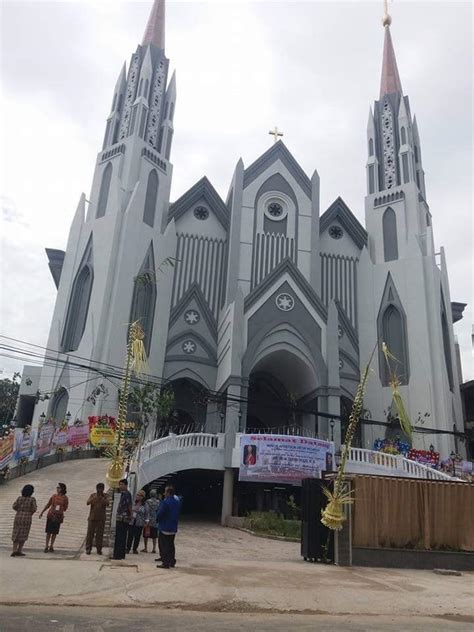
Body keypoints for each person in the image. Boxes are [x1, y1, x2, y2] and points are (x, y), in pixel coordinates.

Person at [39, 482, 68, 553]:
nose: (57, 489)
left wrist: (60, 509)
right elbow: (48, 504)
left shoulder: (65, 498)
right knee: (48, 531)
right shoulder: (54, 496)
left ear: (62, 489)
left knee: (54, 532)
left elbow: (65, 508)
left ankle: (51, 545)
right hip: (51, 515)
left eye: (59, 488)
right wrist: (42, 512)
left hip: (58, 517)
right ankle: (46, 546)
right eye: (57, 488)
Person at [156, 485, 181, 569]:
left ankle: (165, 562)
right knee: (171, 544)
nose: (164, 493)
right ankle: (172, 561)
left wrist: (157, 519)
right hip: (173, 526)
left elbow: (160, 513)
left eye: (165, 492)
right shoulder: (177, 501)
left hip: (165, 526)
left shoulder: (166, 502)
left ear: (168, 493)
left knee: (164, 545)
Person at [11, 484, 37, 557]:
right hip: (27, 517)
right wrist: (29, 513)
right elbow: (34, 509)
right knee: (24, 533)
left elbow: (14, 506)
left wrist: (19, 511)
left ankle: (14, 550)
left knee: (16, 533)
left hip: (18, 516)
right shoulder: (32, 499)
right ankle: (19, 550)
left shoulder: (19, 498)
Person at [85, 482, 109, 555]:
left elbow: (107, 503)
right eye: (98, 489)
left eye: (101, 489)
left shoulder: (105, 496)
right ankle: (88, 548)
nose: (100, 490)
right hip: (92, 518)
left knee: (99, 535)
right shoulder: (93, 495)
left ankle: (99, 549)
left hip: (101, 519)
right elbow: (87, 502)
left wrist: (101, 498)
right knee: (90, 534)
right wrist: (94, 498)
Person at [113, 478, 132, 560]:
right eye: (119, 484)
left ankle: (118, 555)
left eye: (122, 485)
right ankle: (120, 554)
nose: (120, 486)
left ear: (126, 485)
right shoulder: (123, 494)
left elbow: (129, 506)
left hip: (123, 519)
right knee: (121, 536)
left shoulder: (127, 494)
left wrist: (130, 515)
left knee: (120, 537)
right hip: (121, 518)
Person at [126, 490, 148, 554]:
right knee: (130, 535)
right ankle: (128, 548)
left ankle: (135, 549)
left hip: (140, 522)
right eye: (137, 495)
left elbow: (147, 514)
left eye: (139, 495)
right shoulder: (133, 503)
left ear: (142, 497)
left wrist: (146, 522)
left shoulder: (145, 505)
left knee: (137, 536)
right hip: (132, 521)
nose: (137, 496)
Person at [141, 489, 160, 554]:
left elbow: (146, 510)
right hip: (155, 520)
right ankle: (154, 548)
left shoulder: (148, 501)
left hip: (148, 520)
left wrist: (146, 519)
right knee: (154, 535)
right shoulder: (158, 502)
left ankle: (146, 548)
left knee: (146, 534)